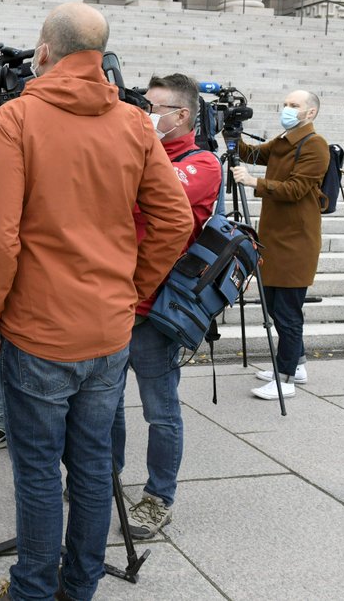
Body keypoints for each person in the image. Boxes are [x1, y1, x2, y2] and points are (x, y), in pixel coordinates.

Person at [0, 2, 193, 601]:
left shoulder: (17, 118)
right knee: (93, 468)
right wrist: (132, 290)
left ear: (44, 52)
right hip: (108, 330)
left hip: (40, 331)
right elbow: (172, 219)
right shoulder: (136, 122)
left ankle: (34, 591)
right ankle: (78, 586)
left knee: (38, 472)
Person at [110, 73, 223, 540]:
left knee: (160, 409)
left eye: (153, 108)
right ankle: (103, 475)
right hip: (114, 298)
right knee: (105, 401)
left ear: (181, 115)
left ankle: (159, 497)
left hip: (155, 309)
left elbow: (143, 196)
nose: (143, 115)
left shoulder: (203, 164)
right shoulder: (141, 151)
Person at [230, 89, 329, 400]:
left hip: (297, 242)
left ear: (310, 112)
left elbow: (297, 188)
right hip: (275, 237)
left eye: (294, 105)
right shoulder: (285, 140)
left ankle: (285, 378)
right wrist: (230, 133)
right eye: (285, 104)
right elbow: (253, 154)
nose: (287, 109)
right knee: (275, 305)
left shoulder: (315, 145)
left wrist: (253, 182)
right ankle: (296, 364)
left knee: (287, 313)